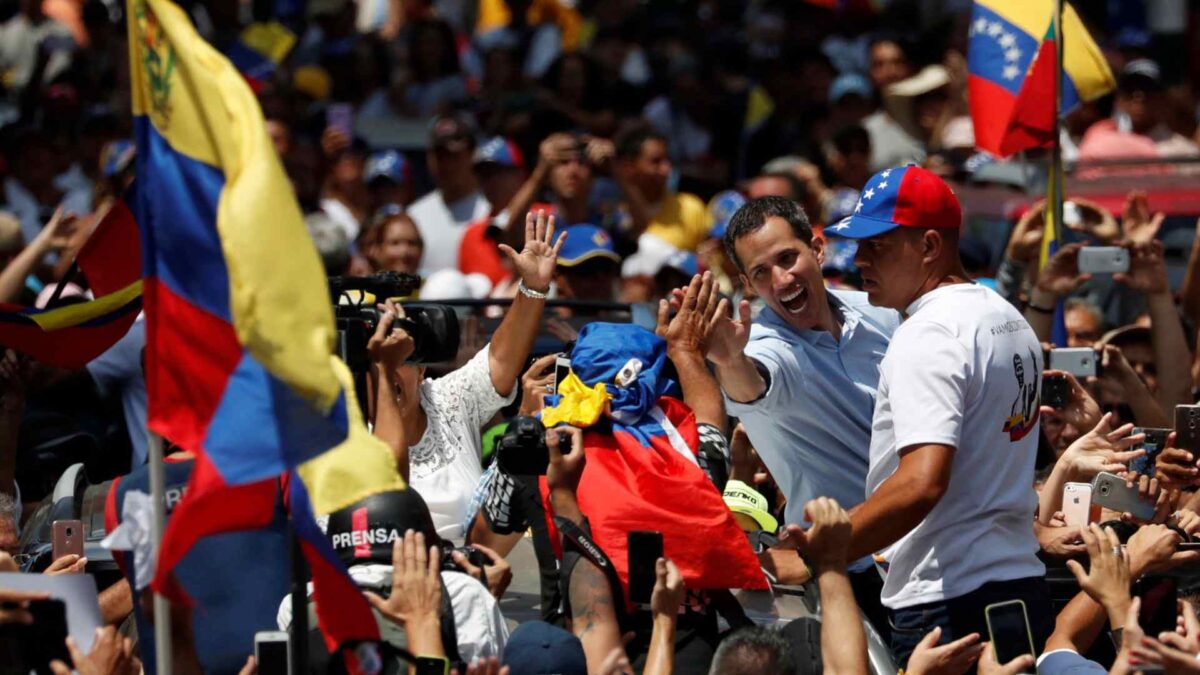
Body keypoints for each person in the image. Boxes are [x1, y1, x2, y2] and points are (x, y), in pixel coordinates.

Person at [816, 164, 1050, 665]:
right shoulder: (1006, 316)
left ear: (928, 247)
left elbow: (923, 481)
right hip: (1019, 586)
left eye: (876, 245)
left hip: (947, 603)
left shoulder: (929, 333)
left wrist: (829, 545)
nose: (859, 260)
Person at [699, 196, 898, 629]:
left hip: (932, 548)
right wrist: (729, 361)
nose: (781, 279)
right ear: (747, 286)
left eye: (787, 258)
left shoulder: (882, 315)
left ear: (818, 249)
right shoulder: (763, 346)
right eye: (760, 273)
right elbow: (754, 383)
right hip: (853, 574)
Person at [370, 210, 562, 539]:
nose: (389, 372)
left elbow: (500, 361)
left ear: (421, 370)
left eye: (400, 358)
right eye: (379, 363)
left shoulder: (447, 400)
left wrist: (532, 288)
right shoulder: (344, 425)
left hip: (478, 575)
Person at [407, 114, 492, 274]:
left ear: (473, 154)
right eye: (440, 156)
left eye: (454, 156)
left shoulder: (491, 210)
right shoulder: (414, 215)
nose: (446, 165)